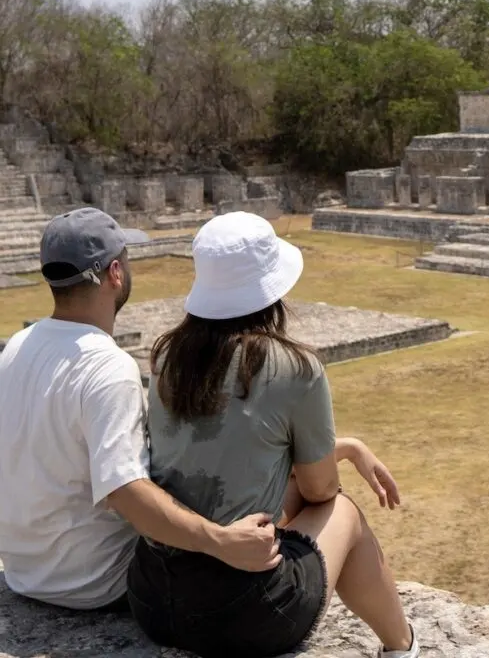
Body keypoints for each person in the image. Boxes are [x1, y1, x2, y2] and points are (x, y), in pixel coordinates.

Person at [127, 211, 418, 658]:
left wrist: (347, 448)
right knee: (344, 510)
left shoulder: (167, 357)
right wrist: (328, 464)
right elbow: (321, 488)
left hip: (153, 597)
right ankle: (402, 645)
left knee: (287, 489)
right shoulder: (294, 369)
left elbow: (223, 457)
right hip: (242, 614)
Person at [0, 207, 281, 613]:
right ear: (116, 273)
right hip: (97, 582)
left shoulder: (16, 348)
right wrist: (221, 542)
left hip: (26, 573)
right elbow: (126, 491)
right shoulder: (108, 367)